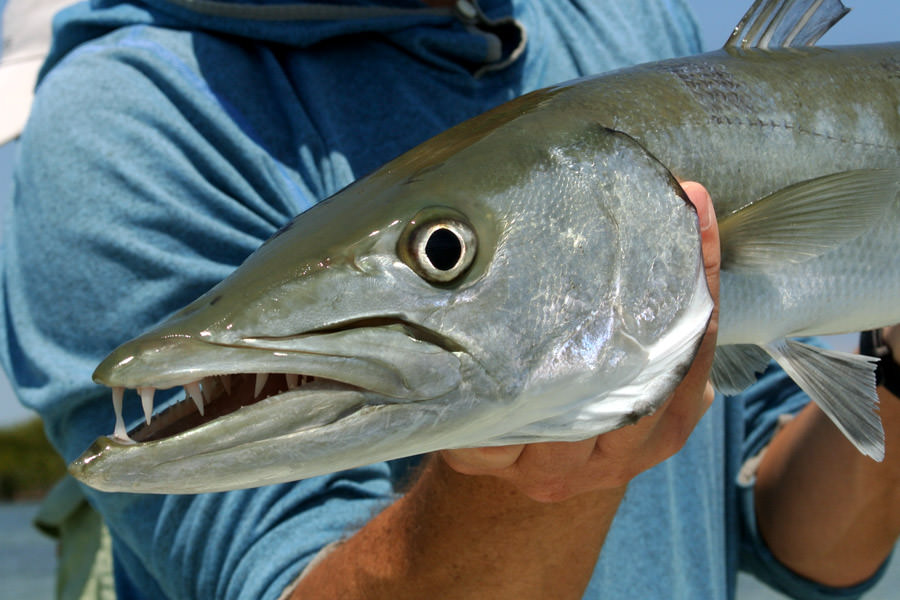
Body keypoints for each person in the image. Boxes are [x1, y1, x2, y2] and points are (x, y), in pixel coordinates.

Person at [0, 0, 897, 598]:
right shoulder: (127, 129)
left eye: (441, 252)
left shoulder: (629, 22)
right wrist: (539, 490)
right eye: (444, 253)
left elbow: (802, 538)